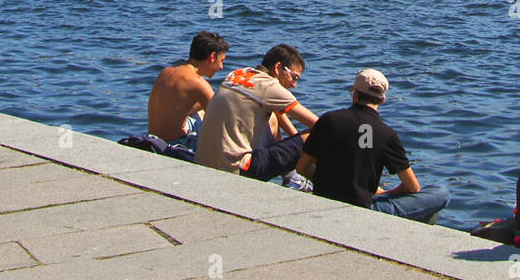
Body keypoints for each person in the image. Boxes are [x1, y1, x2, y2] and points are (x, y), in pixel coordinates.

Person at [295, 69, 449, 222]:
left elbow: (301, 168)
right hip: (363, 208)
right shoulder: (386, 134)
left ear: (355, 94)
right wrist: (384, 194)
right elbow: (412, 187)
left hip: (325, 198)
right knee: (440, 193)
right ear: (382, 100)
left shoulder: (328, 120)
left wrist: (328, 184)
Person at [196, 44, 317, 182]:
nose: (294, 85)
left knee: (272, 117)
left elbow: (278, 114)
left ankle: (290, 177)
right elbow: (322, 125)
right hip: (237, 169)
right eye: (294, 77)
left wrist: (294, 137)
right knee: (315, 135)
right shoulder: (270, 87)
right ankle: (321, 186)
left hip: (204, 162)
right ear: (278, 68)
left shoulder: (237, 74)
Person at [145, 31, 228, 153]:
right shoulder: (198, 83)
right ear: (212, 57)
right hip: (175, 146)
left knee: (200, 112)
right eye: (221, 61)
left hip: (153, 139)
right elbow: (220, 122)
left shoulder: (167, 71)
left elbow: (177, 107)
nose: (221, 67)